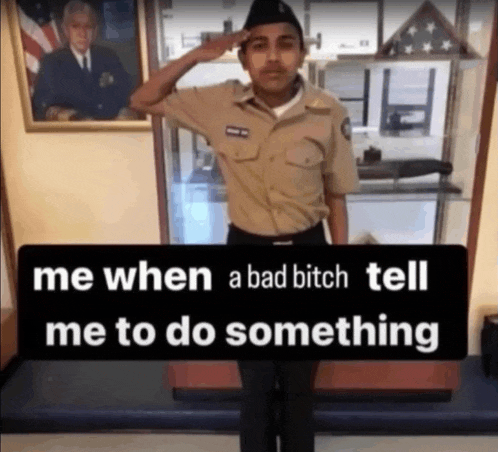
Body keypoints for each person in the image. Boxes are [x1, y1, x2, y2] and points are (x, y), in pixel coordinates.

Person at [130, 0, 360, 450]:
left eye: (285, 45)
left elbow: (336, 194)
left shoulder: (328, 112)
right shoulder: (218, 103)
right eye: (259, 46)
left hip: (308, 252)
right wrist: (197, 56)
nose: (273, 57)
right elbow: (142, 98)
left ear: (302, 53)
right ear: (243, 56)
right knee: (255, 379)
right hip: (245, 253)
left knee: (297, 381)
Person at [32, 0, 135, 121]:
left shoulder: (109, 58)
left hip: (109, 131)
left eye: (88, 27)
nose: (82, 33)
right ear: (66, 30)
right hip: (73, 134)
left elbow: (127, 96)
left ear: (95, 31)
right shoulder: (52, 63)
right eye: (75, 26)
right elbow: (41, 106)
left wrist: (125, 115)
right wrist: (72, 118)